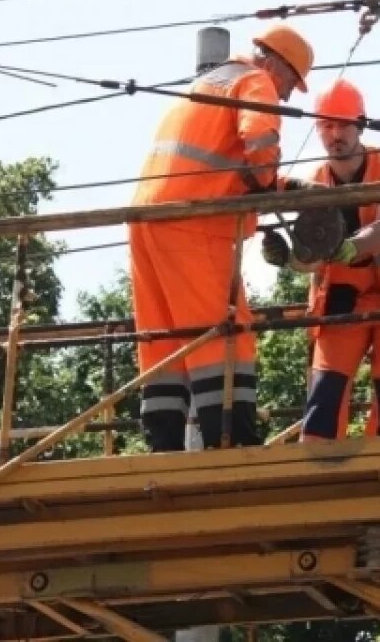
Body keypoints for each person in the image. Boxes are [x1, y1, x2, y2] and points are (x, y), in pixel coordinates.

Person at [129, 23, 315, 452]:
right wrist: (269, 176)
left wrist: (284, 187)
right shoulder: (256, 81)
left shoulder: (208, 84)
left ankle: (164, 447)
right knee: (225, 331)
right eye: (290, 83)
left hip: (145, 217)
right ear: (275, 64)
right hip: (194, 223)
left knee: (165, 338)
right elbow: (260, 139)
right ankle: (232, 439)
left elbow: (222, 167)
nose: (286, 95)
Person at [262, 79, 380, 441]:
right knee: (325, 393)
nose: (335, 135)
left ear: (361, 125)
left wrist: (353, 248)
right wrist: (289, 260)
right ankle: (319, 473)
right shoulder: (315, 183)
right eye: (326, 126)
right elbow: (313, 257)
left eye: (342, 125)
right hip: (341, 299)